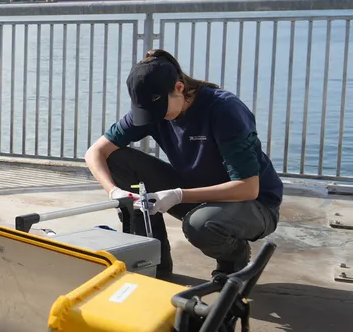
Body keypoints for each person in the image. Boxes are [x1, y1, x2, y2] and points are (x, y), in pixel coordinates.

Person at [85, 49, 282, 279]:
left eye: (158, 111)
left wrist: (178, 195)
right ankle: (152, 262)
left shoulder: (224, 109)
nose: (154, 118)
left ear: (179, 88)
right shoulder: (152, 111)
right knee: (117, 160)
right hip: (197, 192)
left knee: (200, 225)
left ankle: (234, 256)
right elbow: (95, 152)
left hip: (253, 205)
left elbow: (248, 187)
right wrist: (115, 192)